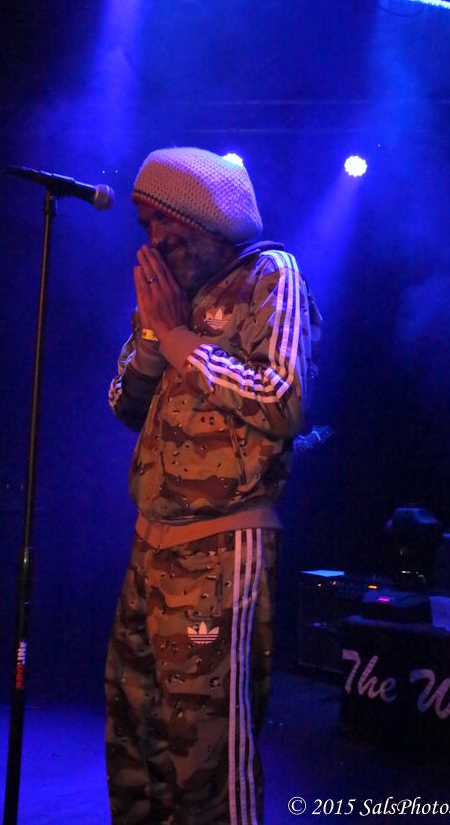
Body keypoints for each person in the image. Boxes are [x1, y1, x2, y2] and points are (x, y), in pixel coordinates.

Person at [106, 147, 321, 825]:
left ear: (203, 223)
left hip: (221, 550)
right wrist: (152, 340)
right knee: (136, 734)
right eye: (145, 227)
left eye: (163, 226)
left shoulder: (270, 276)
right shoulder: (171, 292)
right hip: (151, 545)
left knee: (208, 757)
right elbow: (124, 405)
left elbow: (282, 400)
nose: (153, 241)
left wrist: (177, 338)